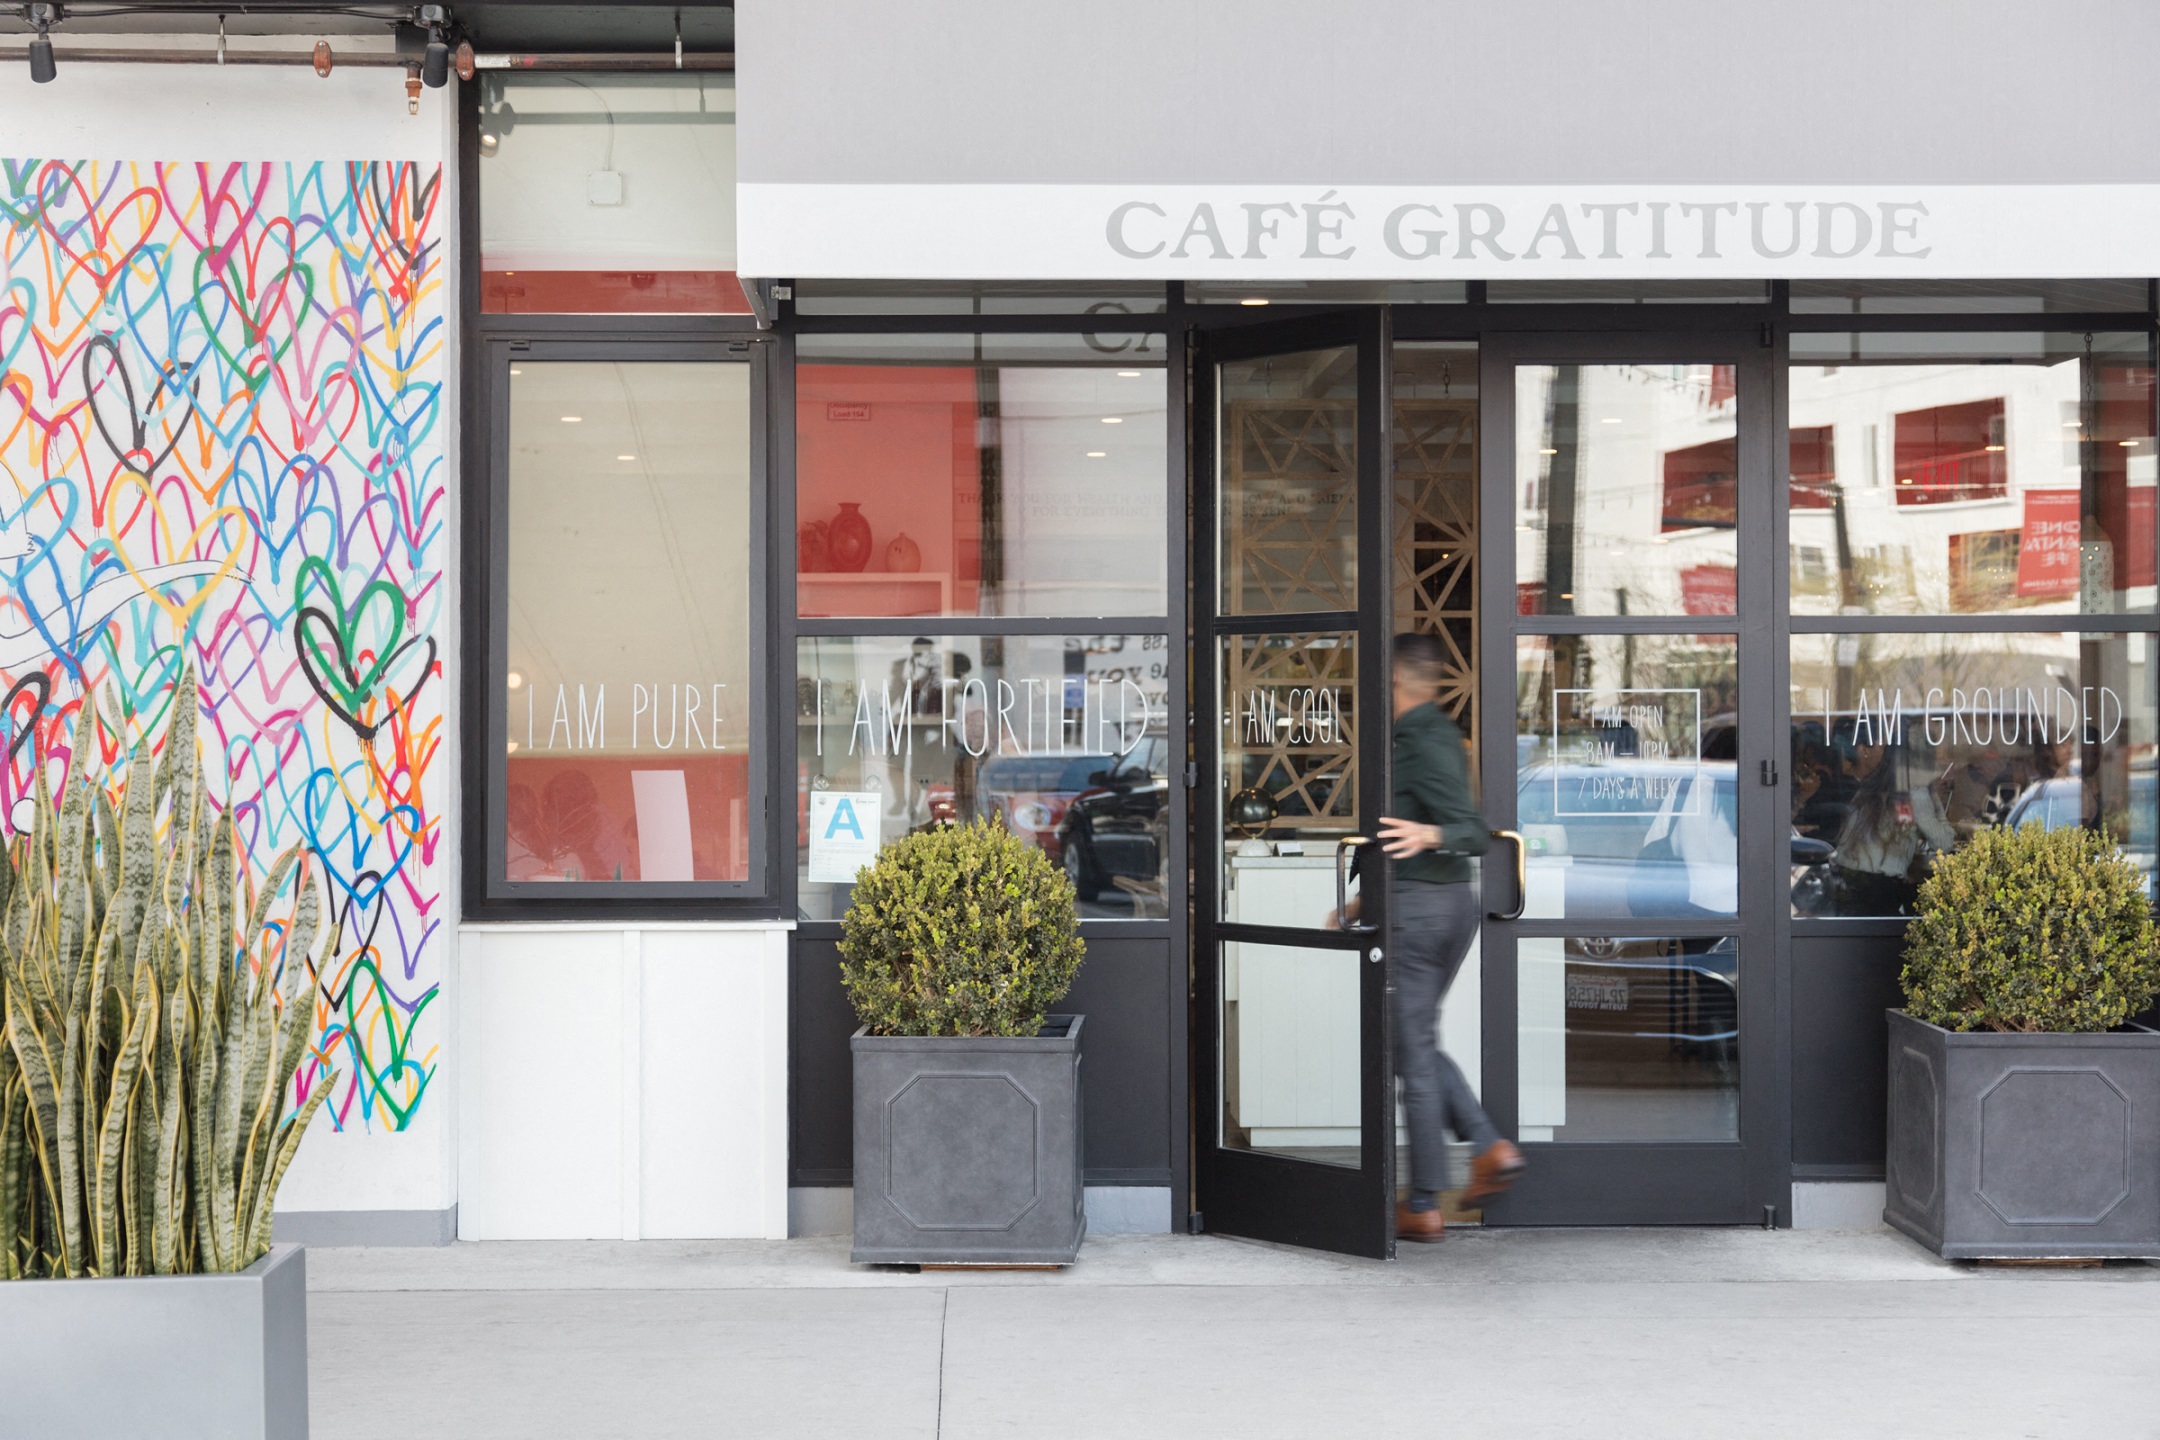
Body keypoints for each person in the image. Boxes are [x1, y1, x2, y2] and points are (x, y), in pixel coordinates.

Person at [1332, 633, 1525, 1242]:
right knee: (1409, 1040)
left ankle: (1424, 1201)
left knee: (1411, 1052)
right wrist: (1363, 899)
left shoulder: (1419, 736)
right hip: (1433, 905)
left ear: (1394, 682)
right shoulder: (1425, 735)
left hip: (1421, 913)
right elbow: (1396, 830)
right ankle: (1484, 1151)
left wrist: (1430, 835)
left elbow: (1470, 829)